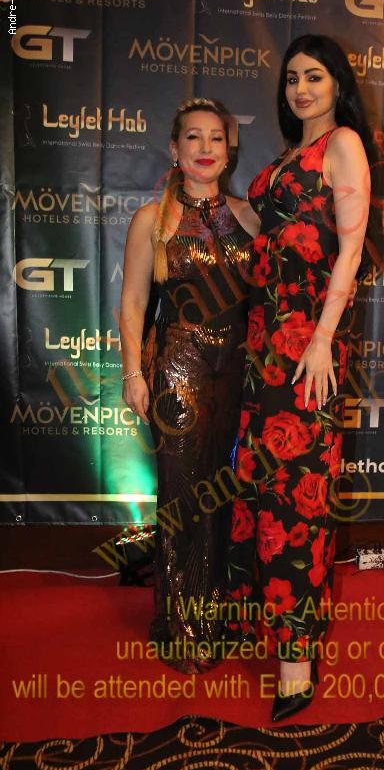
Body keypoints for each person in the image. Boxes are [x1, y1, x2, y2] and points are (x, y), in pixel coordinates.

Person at [225, 34, 371, 721]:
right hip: (263, 345)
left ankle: (296, 664)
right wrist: (207, 195)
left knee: (297, 501)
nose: (301, 89)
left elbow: (351, 247)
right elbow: (266, 229)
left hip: (307, 347)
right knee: (262, 489)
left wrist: (321, 340)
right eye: (291, 79)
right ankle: (268, 630)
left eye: (314, 76)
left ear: (337, 83)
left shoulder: (342, 144)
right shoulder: (287, 157)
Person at [119, 98, 257, 674]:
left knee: (224, 495)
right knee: (181, 498)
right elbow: (132, 303)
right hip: (178, 368)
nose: (205, 148)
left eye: (216, 138)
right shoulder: (152, 221)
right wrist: (133, 372)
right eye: (193, 138)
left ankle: (216, 618)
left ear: (228, 151)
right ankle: (180, 626)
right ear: (174, 149)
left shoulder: (251, 219)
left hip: (237, 375)